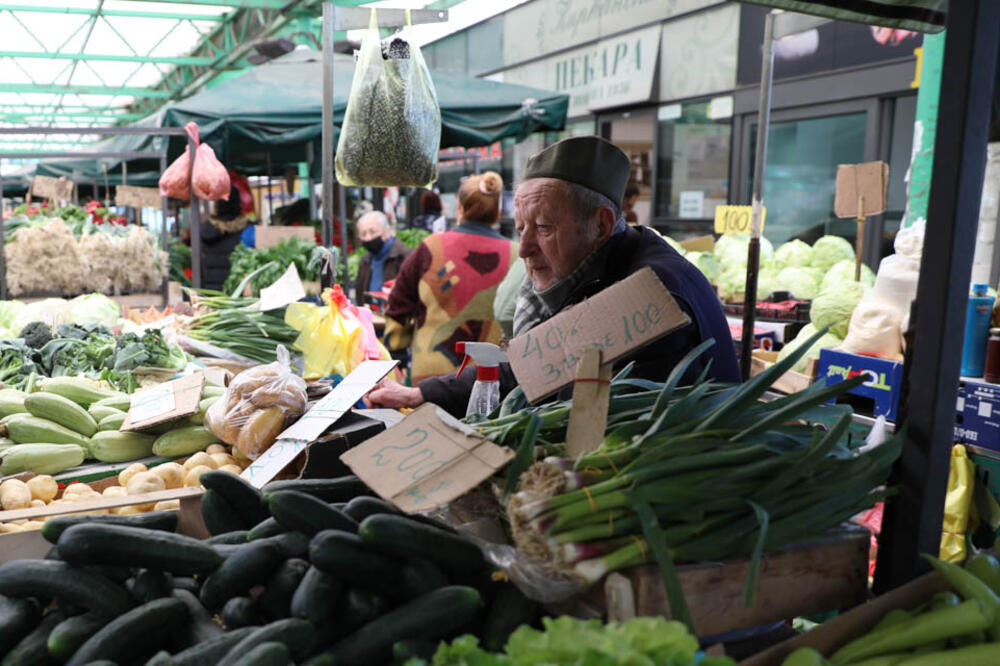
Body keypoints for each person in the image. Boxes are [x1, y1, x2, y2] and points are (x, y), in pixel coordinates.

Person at [366, 136, 739, 417]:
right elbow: (537, 362)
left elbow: (606, 425)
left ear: (601, 224)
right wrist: (424, 394)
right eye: (521, 227)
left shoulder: (650, 292)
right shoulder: (598, 271)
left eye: (544, 228)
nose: (525, 248)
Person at [383, 171, 518, 384]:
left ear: (460, 209)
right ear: (498, 212)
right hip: (492, 380)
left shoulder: (431, 248)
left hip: (430, 380)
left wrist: (397, 353)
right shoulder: (517, 256)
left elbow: (398, 306)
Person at [354, 211, 411, 306]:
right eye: (363, 234)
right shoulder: (365, 262)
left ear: (387, 231)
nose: (368, 238)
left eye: (373, 232)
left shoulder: (405, 257)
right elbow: (360, 296)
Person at [202, 185, 250, 292]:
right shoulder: (247, 231)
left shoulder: (207, 231)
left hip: (210, 295)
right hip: (235, 295)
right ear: (238, 204)